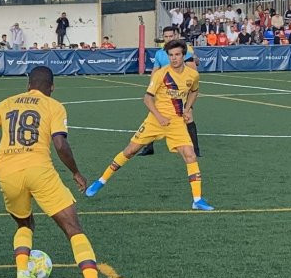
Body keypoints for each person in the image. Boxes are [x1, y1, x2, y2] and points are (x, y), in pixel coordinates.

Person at [0, 66, 121, 278]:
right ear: (51, 87)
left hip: (7, 172)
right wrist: (75, 172)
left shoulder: (7, 102)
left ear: (28, 85)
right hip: (39, 170)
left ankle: (23, 273)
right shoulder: (54, 105)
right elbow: (60, 144)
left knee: (25, 223)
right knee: (73, 228)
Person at [85, 40, 214, 212]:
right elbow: (147, 98)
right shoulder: (161, 74)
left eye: (177, 55)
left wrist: (188, 108)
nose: (174, 58)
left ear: (184, 56)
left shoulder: (192, 75)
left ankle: (197, 200)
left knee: (190, 155)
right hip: (155, 120)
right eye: (171, 55)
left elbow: (195, 91)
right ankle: (101, 180)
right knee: (130, 151)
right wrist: (159, 117)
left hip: (176, 122)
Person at [139, 26, 201, 157]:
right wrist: (152, 87)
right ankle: (148, 147)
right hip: (163, 92)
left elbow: (192, 71)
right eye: (165, 37)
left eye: (170, 36)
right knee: (153, 116)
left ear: (176, 36)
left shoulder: (185, 50)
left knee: (188, 117)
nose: (168, 39)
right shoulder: (160, 53)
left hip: (180, 94)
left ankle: (195, 149)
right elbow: (155, 71)